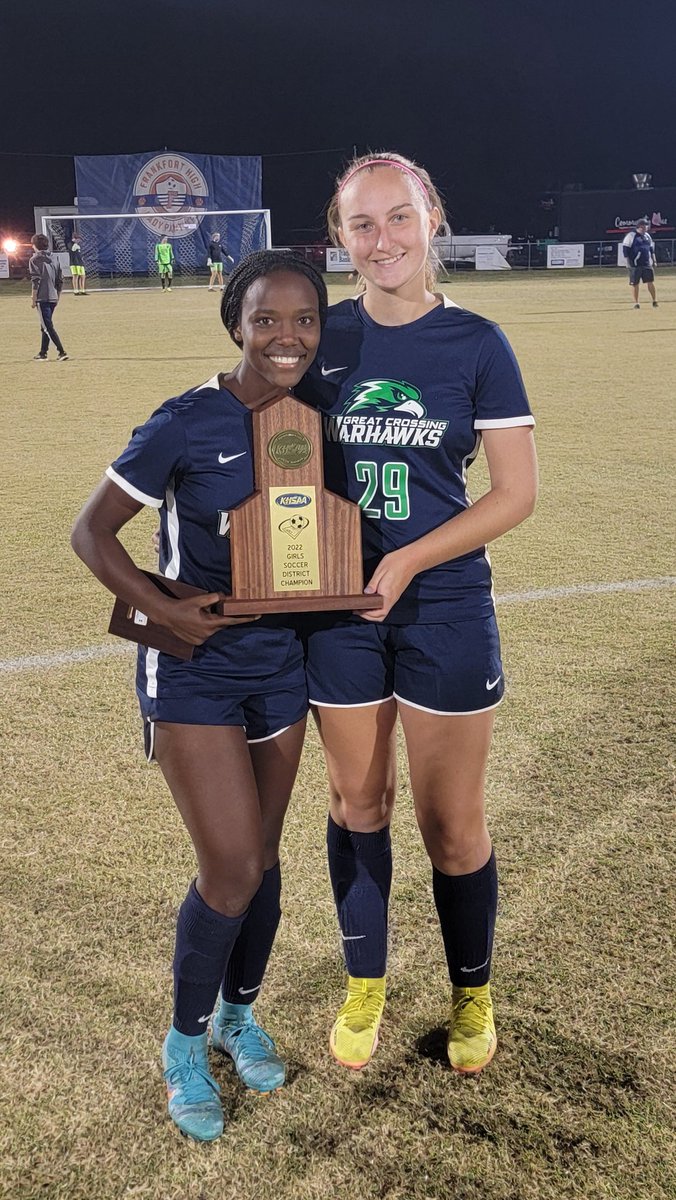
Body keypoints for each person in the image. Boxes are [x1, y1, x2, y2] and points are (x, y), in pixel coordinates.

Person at [71, 250, 328, 1142]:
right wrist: (165, 610)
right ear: (236, 326)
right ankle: (184, 1043)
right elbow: (91, 531)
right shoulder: (186, 420)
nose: (287, 337)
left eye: (304, 320)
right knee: (231, 866)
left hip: (282, 665)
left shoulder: (316, 419)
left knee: (264, 858)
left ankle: (236, 1016)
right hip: (193, 669)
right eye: (267, 320)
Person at [296, 152, 538, 1076]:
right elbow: (273, 452)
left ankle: (472, 992)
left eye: (399, 217)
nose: (382, 239)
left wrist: (406, 559)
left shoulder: (478, 342)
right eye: (362, 223)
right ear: (340, 236)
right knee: (358, 801)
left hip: (442, 605)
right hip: (338, 609)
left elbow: (514, 493)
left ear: (431, 218)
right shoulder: (322, 337)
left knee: (451, 823)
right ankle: (366, 982)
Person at [29, 233, 68, 361]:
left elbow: (35, 280)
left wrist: (33, 298)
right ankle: (43, 353)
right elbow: (60, 280)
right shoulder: (55, 258)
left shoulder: (34, 260)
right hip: (53, 297)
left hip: (42, 298)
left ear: (35, 245)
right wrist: (58, 296)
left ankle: (61, 352)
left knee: (47, 327)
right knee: (45, 325)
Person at [622, 218, 658, 308]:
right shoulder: (631, 235)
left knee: (650, 282)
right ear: (640, 226)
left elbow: (651, 249)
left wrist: (654, 260)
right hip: (635, 264)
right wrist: (628, 263)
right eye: (645, 225)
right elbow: (625, 250)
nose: (647, 227)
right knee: (635, 284)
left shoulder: (647, 236)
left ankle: (654, 301)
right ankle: (636, 303)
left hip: (646, 263)